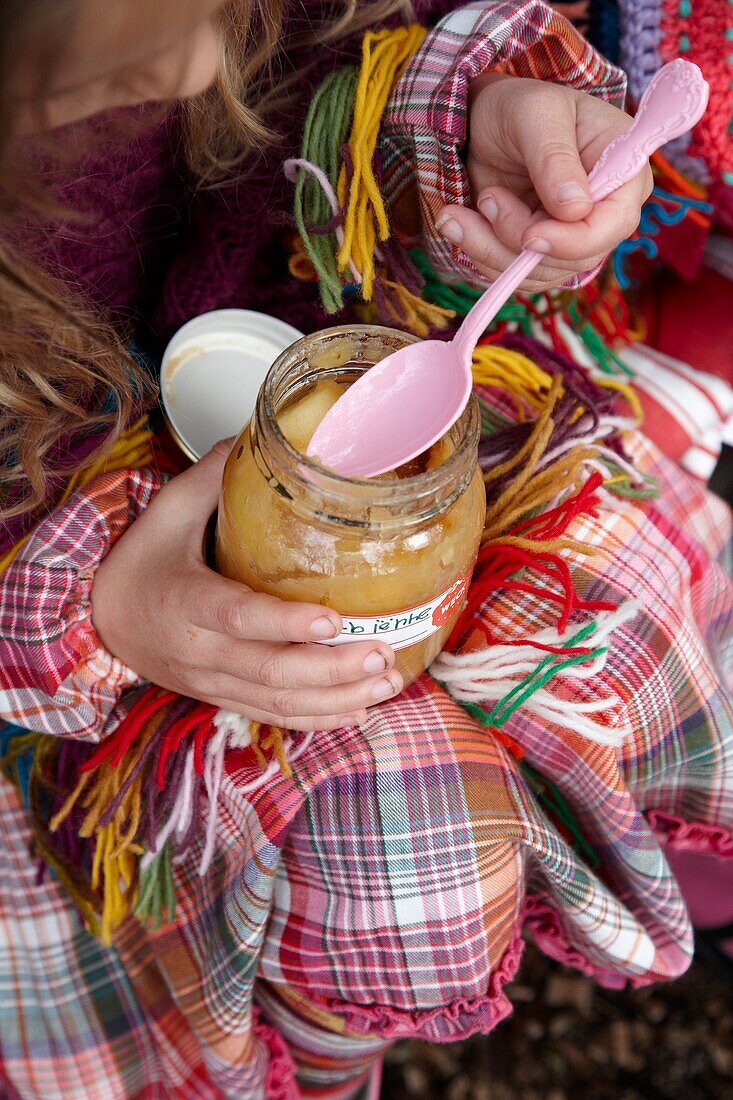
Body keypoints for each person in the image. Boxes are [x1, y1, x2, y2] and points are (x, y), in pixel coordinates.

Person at [0, 1, 729, 1098]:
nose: (207, 60)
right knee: (355, 867)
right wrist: (93, 608)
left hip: (335, 320)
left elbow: (352, 47)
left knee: (611, 610)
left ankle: (617, 864)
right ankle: (309, 1043)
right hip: (65, 580)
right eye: (109, 76)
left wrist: (477, 122)